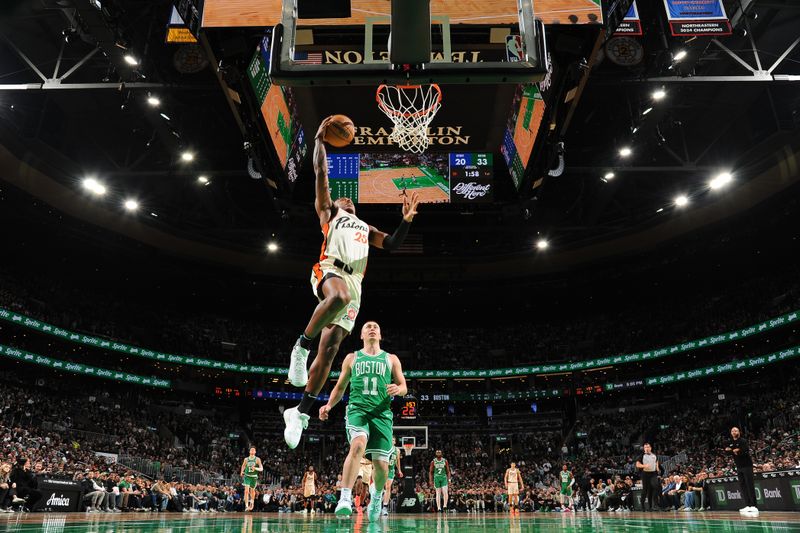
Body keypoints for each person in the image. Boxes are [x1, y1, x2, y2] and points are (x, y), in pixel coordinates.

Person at [283, 118, 419, 450]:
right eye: (345, 201)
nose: (349, 202)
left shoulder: (365, 227)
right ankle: (300, 347)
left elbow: (392, 245)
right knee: (338, 296)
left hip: (355, 284)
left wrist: (405, 221)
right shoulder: (330, 213)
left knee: (329, 353)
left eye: (352, 202)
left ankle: (299, 412)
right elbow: (321, 174)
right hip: (329, 270)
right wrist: (319, 139)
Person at [318, 320, 408, 520]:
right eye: (368, 327)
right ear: (361, 335)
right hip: (358, 410)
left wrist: (398, 389)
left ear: (380, 335)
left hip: (382, 414)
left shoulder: (391, 359)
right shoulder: (352, 358)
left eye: (376, 326)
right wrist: (329, 405)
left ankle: (376, 497)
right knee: (358, 445)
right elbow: (340, 387)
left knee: (382, 466)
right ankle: (345, 498)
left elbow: (404, 386)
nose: (372, 328)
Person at [726, 427, 758, 517]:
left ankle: (754, 505)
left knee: (749, 485)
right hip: (739, 467)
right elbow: (727, 452)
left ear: (739, 432)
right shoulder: (731, 442)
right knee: (743, 485)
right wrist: (734, 451)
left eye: (735, 430)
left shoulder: (743, 441)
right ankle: (748, 505)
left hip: (747, 465)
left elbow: (745, 451)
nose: (734, 432)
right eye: (732, 431)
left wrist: (737, 451)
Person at [382, 437, 403, 516]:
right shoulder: (385, 448)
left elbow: (398, 461)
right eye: (391, 440)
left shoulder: (397, 450)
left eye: (394, 440)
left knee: (388, 487)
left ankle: (385, 507)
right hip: (384, 470)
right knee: (381, 488)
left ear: (395, 442)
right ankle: (377, 503)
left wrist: (399, 470)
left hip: (391, 470)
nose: (392, 441)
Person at [636, 443, 660, 511]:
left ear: (650, 448)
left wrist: (657, 468)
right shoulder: (641, 456)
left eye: (648, 447)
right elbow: (637, 465)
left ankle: (655, 505)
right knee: (645, 490)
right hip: (645, 474)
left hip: (653, 473)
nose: (646, 448)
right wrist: (644, 466)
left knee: (656, 486)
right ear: (644, 449)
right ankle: (643, 506)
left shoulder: (654, 455)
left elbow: (656, 462)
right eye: (645, 447)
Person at [240, 447, 263, 512]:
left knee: (252, 491)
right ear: (249, 451)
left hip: (254, 477)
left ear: (255, 452)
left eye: (253, 450)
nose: (252, 450)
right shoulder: (246, 459)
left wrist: (255, 468)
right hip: (247, 476)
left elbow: (261, 469)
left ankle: (252, 503)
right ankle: (246, 505)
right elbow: (243, 465)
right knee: (246, 491)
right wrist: (241, 471)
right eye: (251, 449)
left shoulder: (257, 459)